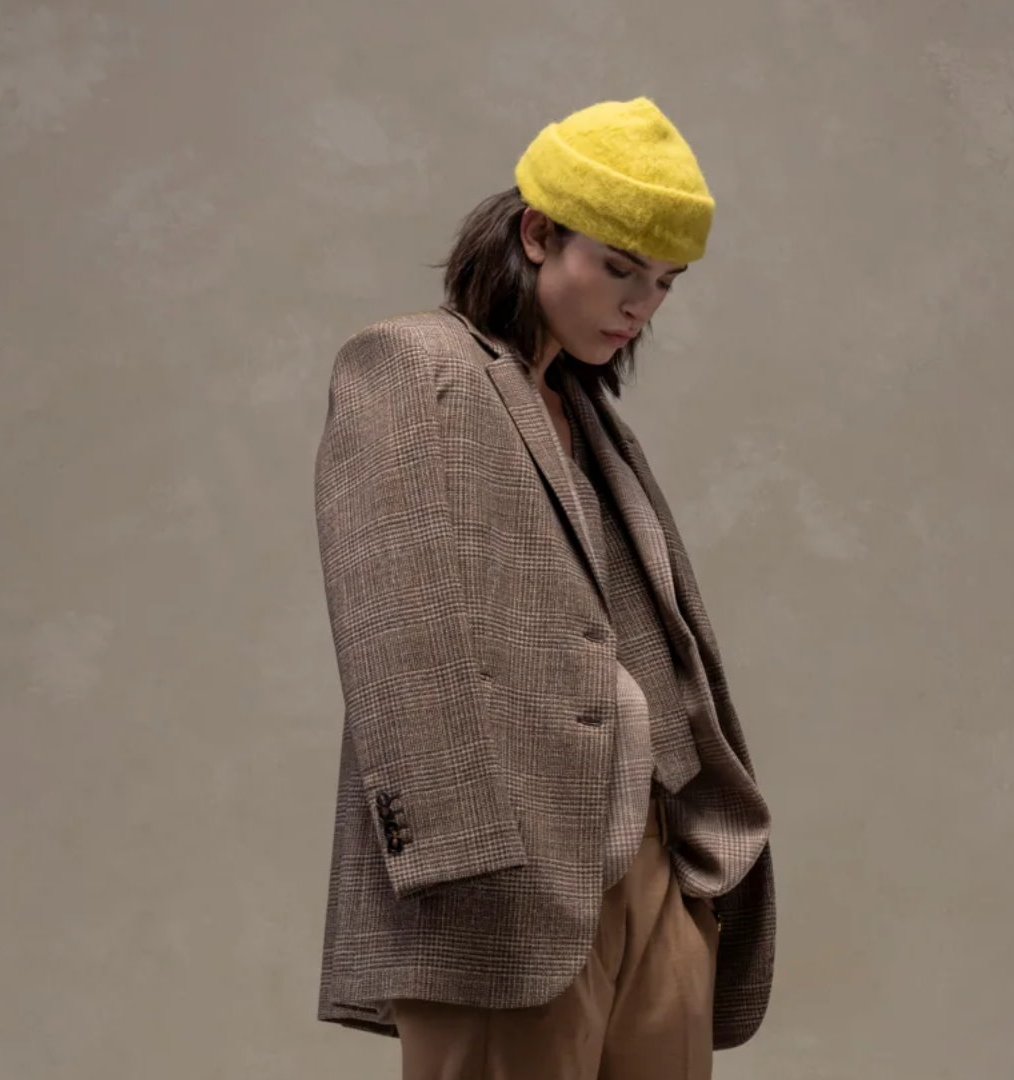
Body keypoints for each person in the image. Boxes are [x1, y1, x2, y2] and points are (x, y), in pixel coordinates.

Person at [311, 96, 775, 1080]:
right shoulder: (414, 363)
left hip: (652, 857)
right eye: (619, 268)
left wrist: (685, 865)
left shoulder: (584, 412)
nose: (640, 305)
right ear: (536, 234)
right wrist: (460, 863)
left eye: (664, 283)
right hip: (507, 871)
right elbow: (397, 622)